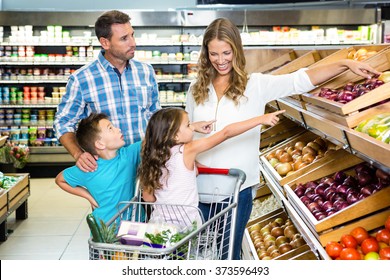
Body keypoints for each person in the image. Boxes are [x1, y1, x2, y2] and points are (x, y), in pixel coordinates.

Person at [186, 17, 381, 260]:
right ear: (206, 53)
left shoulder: (255, 85)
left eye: (226, 52)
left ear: (236, 50)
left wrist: (344, 64)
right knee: (197, 258)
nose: (221, 60)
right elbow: (187, 134)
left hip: (237, 190)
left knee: (228, 257)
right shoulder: (195, 89)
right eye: (214, 54)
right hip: (198, 189)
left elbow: (300, 79)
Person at [138, 107, 284, 229]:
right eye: (189, 125)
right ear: (176, 136)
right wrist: (260, 119)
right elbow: (226, 133)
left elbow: (148, 198)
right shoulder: (187, 150)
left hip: (159, 227)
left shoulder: (151, 160)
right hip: (187, 227)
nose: (192, 128)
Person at [54, 10, 160, 173]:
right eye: (124, 38)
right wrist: (78, 153)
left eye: (132, 35)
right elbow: (63, 121)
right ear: (105, 43)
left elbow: (155, 116)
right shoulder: (82, 79)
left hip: (146, 164)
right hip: (108, 171)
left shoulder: (146, 71)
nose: (133, 43)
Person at [55, 113, 141, 225]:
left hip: (135, 222)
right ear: (100, 144)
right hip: (105, 228)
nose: (118, 129)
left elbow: (152, 141)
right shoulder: (90, 167)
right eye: (111, 128)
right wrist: (89, 197)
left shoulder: (129, 154)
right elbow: (60, 179)